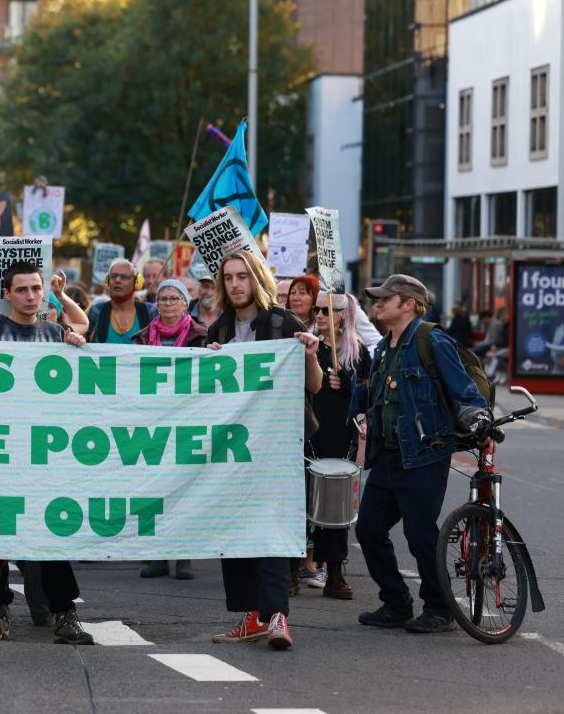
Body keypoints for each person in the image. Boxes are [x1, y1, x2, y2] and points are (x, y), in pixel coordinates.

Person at [0, 260, 94, 645]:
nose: (30, 296)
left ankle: (67, 615)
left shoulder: (56, 334)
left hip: (45, 456)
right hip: (0, 453)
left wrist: (77, 347)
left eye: (36, 289)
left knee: (51, 533)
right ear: (7, 294)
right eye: (22, 290)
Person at [352, 274, 492, 635]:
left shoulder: (432, 340)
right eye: (376, 299)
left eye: (386, 299)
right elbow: (372, 397)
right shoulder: (383, 348)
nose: (377, 304)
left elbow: (463, 390)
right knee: (368, 528)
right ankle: (396, 602)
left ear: (409, 304)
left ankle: (439, 608)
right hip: (387, 456)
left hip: (424, 453)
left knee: (419, 535)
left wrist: (480, 420)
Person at [207, 250, 322, 651]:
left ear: (255, 278)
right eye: (228, 278)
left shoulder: (283, 322)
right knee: (237, 527)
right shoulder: (218, 330)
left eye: (242, 276)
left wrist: (308, 355)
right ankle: (253, 616)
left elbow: (314, 386)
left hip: (278, 445)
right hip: (235, 448)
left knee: (270, 527)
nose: (235, 284)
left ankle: (277, 616)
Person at [137, 278, 208, 581]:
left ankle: (184, 555)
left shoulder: (201, 336)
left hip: (188, 419)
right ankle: (157, 554)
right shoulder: (141, 339)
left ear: (184, 302)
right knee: (154, 487)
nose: (167, 304)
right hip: (153, 422)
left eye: (173, 298)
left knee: (184, 487)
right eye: (162, 299)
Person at [305, 292, 370, 600]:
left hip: (339, 436)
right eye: (316, 309)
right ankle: (294, 569)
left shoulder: (358, 354)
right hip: (308, 434)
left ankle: (334, 571)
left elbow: (370, 398)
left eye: (326, 310)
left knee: (335, 507)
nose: (318, 314)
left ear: (343, 315)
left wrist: (348, 387)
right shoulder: (307, 348)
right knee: (300, 504)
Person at [87, 259, 156, 344]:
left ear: (136, 282)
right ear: (107, 282)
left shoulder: (150, 311)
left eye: (124, 277)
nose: (117, 280)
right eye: (113, 276)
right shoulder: (96, 311)